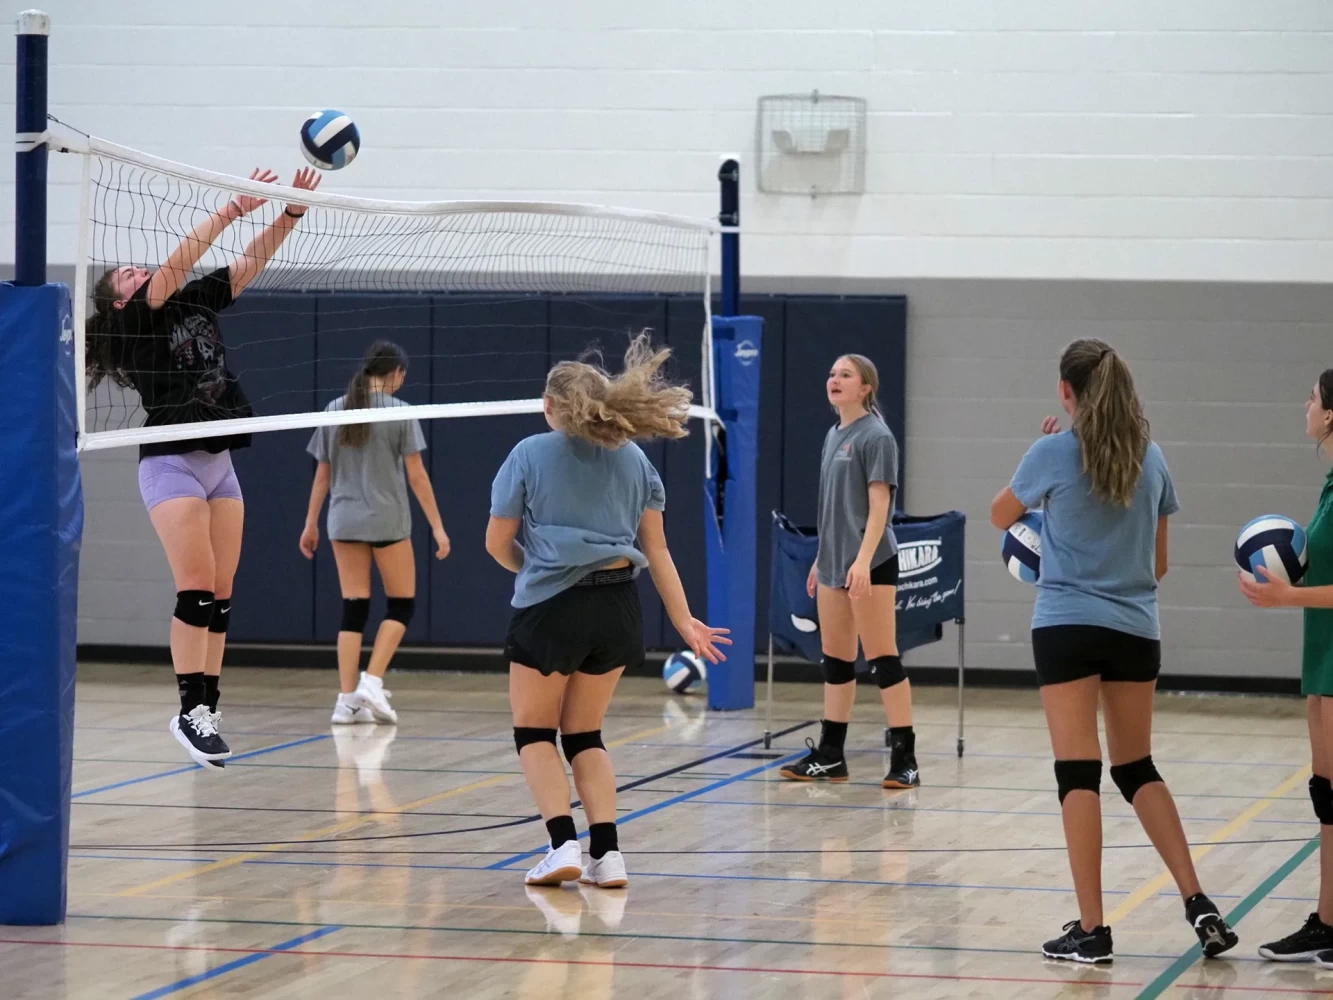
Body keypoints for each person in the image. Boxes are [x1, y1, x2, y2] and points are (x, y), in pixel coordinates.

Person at [990, 338, 1238, 964]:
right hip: (1135, 628)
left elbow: (999, 515)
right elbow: (1158, 564)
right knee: (1136, 768)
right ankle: (1198, 902)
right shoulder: (1151, 459)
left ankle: (1092, 930)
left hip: (1066, 626)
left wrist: (1042, 468)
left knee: (1078, 773)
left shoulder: (1052, 451)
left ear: (1066, 392)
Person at [84, 166, 322, 769]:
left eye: (137, 268)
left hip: (220, 462)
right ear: (120, 300)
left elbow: (249, 264)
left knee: (220, 592)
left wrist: (289, 213)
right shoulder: (135, 319)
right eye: (127, 274)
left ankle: (207, 711)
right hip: (170, 462)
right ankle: (189, 711)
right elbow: (173, 266)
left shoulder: (192, 299)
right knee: (194, 587)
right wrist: (229, 210)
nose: (139, 271)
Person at [486, 333, 730, 889]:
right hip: (619, 608)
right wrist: (684, 620)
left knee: (534, 732)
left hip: (551, 607)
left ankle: (561, 846)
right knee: (585, 734)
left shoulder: (528, 453)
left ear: (550, 406)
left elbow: (496, 543)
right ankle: (608, 854)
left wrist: (534, 569)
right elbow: (658, 550)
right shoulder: (635, 458)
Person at [779, 354, 919, 789]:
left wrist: (861, 560)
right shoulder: (832, 434)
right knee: (836, 661)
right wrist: (824, 556)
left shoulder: (876, 436)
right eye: (832, 373)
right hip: (834, 562)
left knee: (882, 659)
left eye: (845, 375)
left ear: (865, 388)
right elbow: (833, 508)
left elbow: (880, 507)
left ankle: (905, 759)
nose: (834, 379)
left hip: (871, 561)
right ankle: (831, 755)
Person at [300, 340, 451, 725]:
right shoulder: (400, 411)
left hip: (342, 521)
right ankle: (372, 680)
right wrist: (438, 527)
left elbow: (322, 475)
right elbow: (417, 476)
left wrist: (310, 522)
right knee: (401, 605)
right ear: (396, 373)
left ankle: (346, 701)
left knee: (354, 609)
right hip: (387, 521)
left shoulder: (334, 408)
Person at [1241, 369, 1333, 966]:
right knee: (1327, 795)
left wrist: (1288, 596)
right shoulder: (1330, 484)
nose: (1306, 405)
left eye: (1313, 397)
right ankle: (1327, 921)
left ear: (1331, 414)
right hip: (1323, 656)